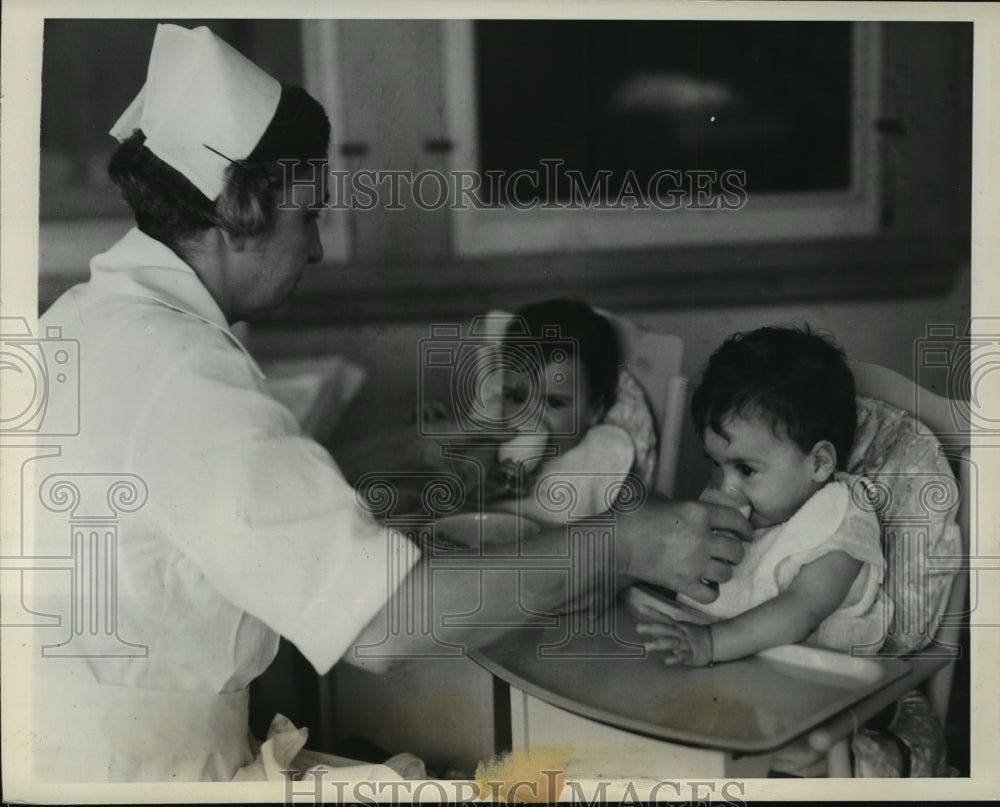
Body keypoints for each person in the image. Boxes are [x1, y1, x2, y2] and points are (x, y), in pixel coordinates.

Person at [25, 24, 751, 783]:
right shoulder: (186, 378)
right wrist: (624, 541)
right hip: (136, 775)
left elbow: (218, 505)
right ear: (242, 205)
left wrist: (411, 454)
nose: (316, 249)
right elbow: (383, 626)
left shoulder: (93, 318)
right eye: (309, 216)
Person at [639, 326, 891, 666]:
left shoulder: (839, 522)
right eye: (716, 464)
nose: (725, 487)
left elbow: (802, 609)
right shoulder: (739, 501)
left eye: (744, 469)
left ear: (818, 463)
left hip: (808, 684)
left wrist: (711, 643)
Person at [481, 299, 657, 522]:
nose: (528, 418)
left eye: (553, 402)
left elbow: (630, 533)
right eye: (515, 397)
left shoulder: (602, 458)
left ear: (595, 410)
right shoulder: (487, 451)